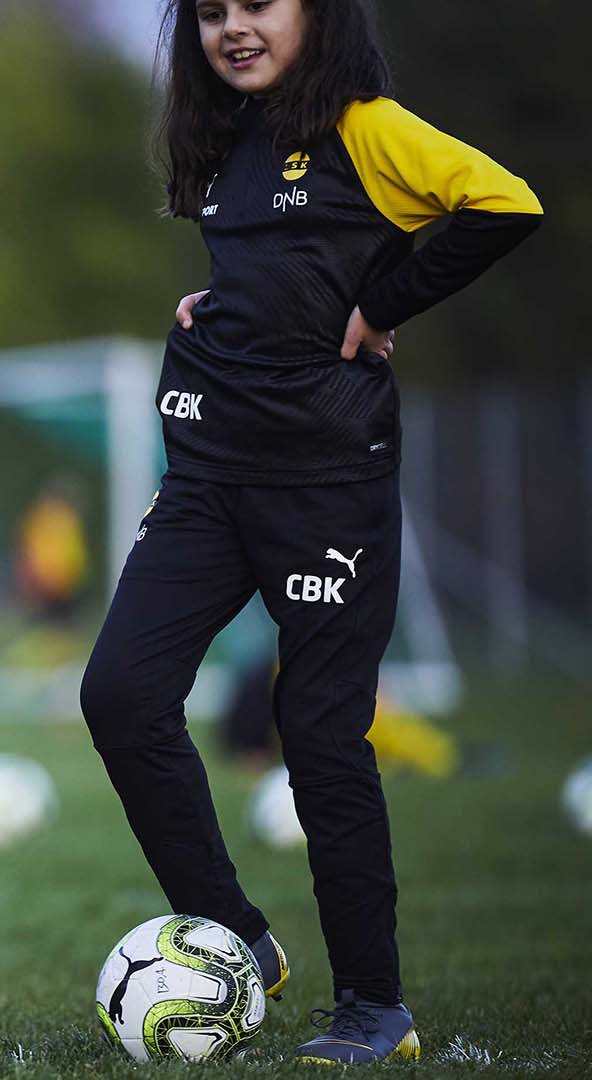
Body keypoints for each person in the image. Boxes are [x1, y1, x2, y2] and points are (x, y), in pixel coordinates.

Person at [78, 0, 540, 1065]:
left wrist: (384, 303)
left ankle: (375, 1009)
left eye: (260, 5)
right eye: (212, 11)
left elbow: (503, 203)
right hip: (206, 468)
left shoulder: (367, 125)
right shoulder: (224, 135)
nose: (234, 27)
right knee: (121, 693)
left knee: (322, 731)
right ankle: (238, 933)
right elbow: (277, 270)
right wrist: (221, 304)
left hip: (327, 480)